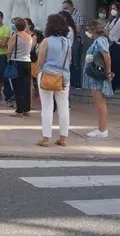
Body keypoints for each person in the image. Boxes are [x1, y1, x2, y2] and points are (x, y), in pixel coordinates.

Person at [36, 14, 71, 147]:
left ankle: (46, 138)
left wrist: (38, 72)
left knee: (47, 107)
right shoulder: (67, 41)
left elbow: (41, 60)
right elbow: (69, 59)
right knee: (63, 107)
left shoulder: (46, 41)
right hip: (63, 77)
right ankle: (63, 138)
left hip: (47, 75)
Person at [83, 20, 114, 138]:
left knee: (100, 103)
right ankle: (101, 128)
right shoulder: (99, 41)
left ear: (93, 30)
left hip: (98, 76)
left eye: (88, 30)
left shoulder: (100, 41)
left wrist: (109, 71)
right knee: (99, 103)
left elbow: (107, 57)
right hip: (95, 76)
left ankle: (102, 130)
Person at [7, 18, 33, 116]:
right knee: (26, 86)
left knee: (17, 86)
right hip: (27, 61)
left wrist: (8, 58)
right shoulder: (29, 36)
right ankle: (27, 108)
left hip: (17, 61)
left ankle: (19, 109)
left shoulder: (15, 36)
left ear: (16, 26)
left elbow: (9, 50)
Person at [62, 0, 85, 88]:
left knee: (76, 62)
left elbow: (78, 30)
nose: (65, 10)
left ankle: (77, 83)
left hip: (76, 41)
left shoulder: (78, 15)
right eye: (64, 8)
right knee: (69, 63)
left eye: (66, 8)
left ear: (71, 6)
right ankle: (70, 82)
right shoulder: (65, 16)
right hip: (68, 41)